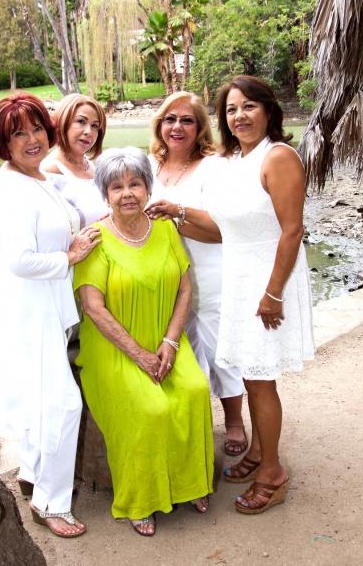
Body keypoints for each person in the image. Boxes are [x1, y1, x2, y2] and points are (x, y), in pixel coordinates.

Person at [150, 76, 315, 515]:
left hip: (267, 280)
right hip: (239, 279)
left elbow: (293, 231)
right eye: (231, 109)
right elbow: (221, 226)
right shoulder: (239, 159)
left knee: (259, 381)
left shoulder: (279, 157)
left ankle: (272, 474)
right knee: (251, 374)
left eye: (248, 106)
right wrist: (175, 210)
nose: (239, 116)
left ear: (268, 110)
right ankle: (259, 453)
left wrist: (273, 294)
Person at [73, 147, 214, 536]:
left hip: (164, 342)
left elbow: (185, 288)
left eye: (135, 184)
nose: (127, 194)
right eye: (116, 187)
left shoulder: (165, 229)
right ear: (106, 194)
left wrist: (171, 342)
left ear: (148, 189)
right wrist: (138, 355)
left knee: (194, 390)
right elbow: (93, 308)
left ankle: (190, 484)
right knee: (151, 409)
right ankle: (141, 499)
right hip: (115, 350)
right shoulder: (96, 239)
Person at [0, 92, 101, 538]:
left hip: (48, 307)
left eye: (36, 129)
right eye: (19, 134)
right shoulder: (13, 189)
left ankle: (33, 476)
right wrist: (70, 256)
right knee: (64, 405)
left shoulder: (36, 177)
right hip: (30, 314)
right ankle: (50, 503)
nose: (32, 139)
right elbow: (20, 261)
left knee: (44, 402)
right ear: (3, 143)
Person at [147, 91, 247, 456]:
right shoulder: (148, 165)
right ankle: (185, 418)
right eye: (170, 119)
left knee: (220, 351)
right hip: (163, 278)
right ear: (159, 124)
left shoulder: (214, 166)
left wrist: (176, 213)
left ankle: (234, 423)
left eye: (187, 120)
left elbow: (222, 231)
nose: (177, 127)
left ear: (200, 127)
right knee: (174, 349)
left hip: (208, 274)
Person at [42, 94, 107, 227]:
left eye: (95, 126)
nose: (89, 131)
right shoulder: (49, 172)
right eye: (81, 121)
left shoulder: (92, 166)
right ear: (63, 122)